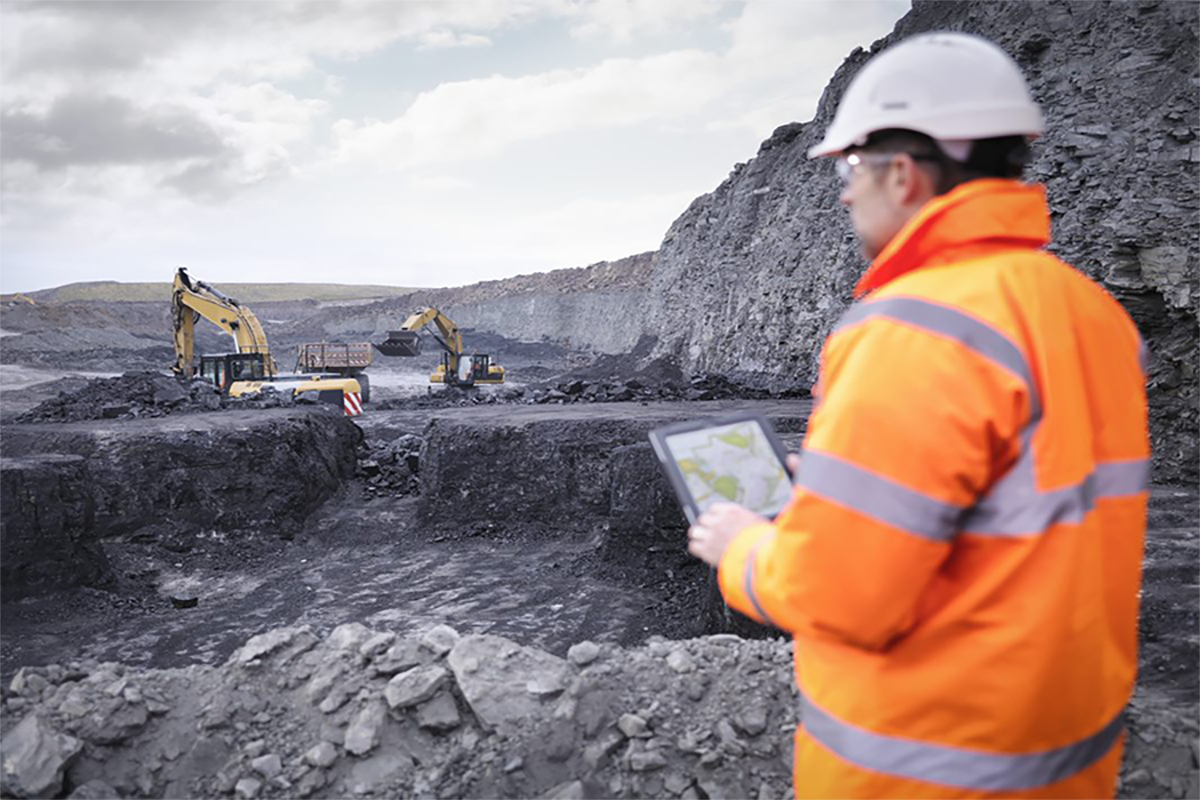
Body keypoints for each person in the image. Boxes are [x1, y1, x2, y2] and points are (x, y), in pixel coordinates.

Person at [686, 32, 1149, 799]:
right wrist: (845, 495)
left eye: (850, 167)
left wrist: (741, 548)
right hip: (1064, 761)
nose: (843, 193)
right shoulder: (1090, 312)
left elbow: (842, 595)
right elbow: (1020, 514)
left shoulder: (918, 328)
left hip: (923, 769)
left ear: (901, 173)